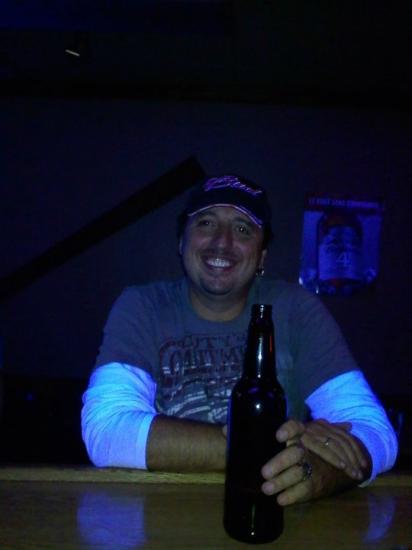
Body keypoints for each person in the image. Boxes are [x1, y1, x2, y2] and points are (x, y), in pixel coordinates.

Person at [81, 174, 397, 506]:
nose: (222, 241)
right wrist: (265, 447)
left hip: (267, 511)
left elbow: (377, 433)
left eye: (243, 229)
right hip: (162, 511)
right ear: (181, 242)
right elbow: (106, 432)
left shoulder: (296, 309)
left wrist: (318, 474)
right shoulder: (142, 306)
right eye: (206, 223)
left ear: (261, 257)